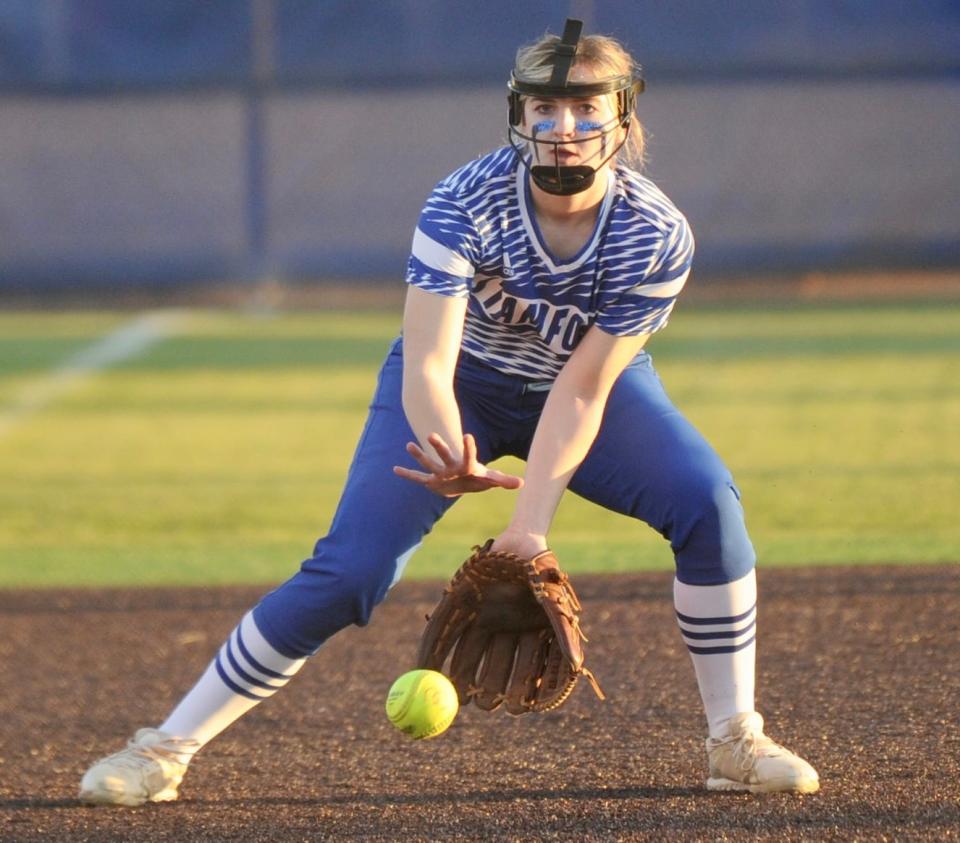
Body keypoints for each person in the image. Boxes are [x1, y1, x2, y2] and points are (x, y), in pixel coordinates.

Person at [79, 20, 819, 805]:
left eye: (584, 108)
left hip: (585, 385)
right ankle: (163, 749)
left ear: (623, 118)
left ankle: (733, 739)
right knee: (350, 572)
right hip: (460, 380)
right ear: (518, 113)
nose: (562, 128)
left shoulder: (655, 233)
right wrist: (444, 446)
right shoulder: (464, 199)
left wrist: (529, 528)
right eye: (544, 106)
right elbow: (429, 356)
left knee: (708, 504)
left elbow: (582, 387)